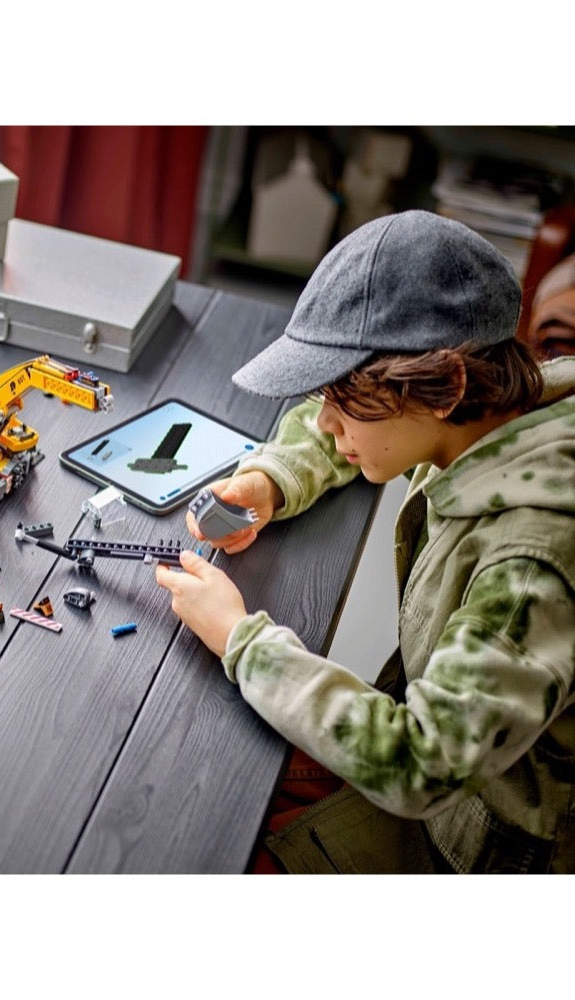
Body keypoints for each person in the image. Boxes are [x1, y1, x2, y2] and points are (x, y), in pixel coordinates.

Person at [155, 210, 575, 873]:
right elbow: (362, 426)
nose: (325, 420)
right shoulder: (493, 410)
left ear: (446, 385)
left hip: (474, 845)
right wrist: (273, 478)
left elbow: (420, 763)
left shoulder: (529, 570)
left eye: (341, 397)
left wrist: (242, 640)